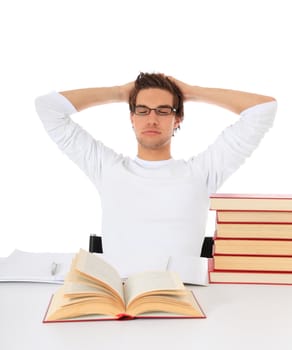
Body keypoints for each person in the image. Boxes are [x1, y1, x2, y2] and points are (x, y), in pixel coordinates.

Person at [35, 73, 277, 272]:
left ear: (177, 119)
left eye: (163, 111)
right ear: (132, 117)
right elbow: (47, 107)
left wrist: (192, 92)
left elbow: (264, 109)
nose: (152, 119)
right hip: (118, 297)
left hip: (182, 297)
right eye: (143, 110)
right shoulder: (107, 167)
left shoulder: (202, 172)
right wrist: (119, 92)